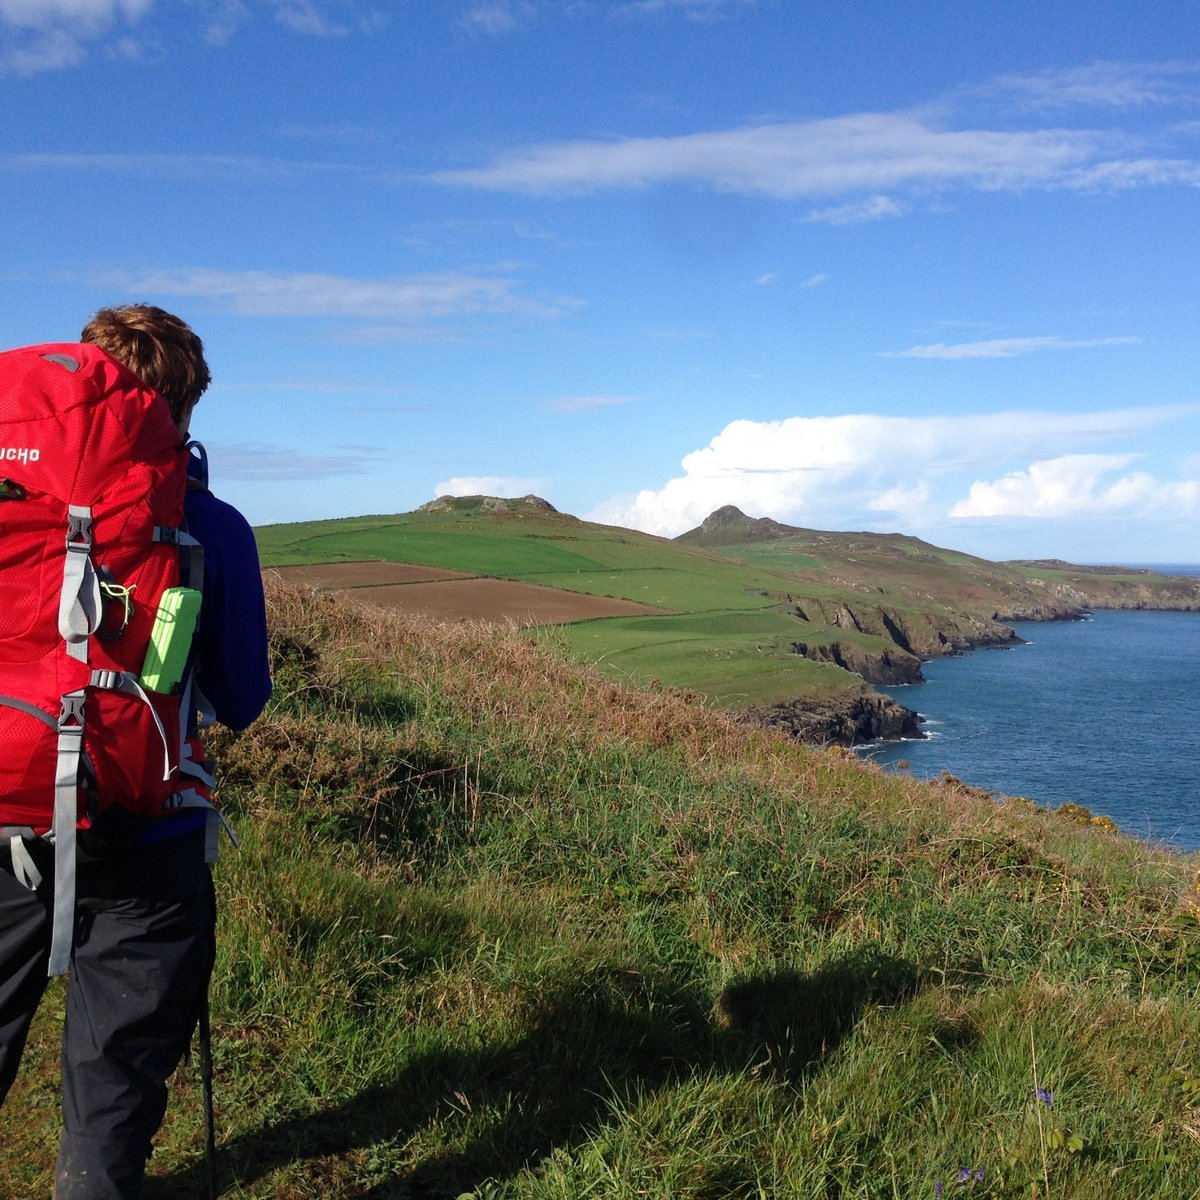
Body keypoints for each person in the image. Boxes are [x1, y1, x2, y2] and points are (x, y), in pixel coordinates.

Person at [0, 305, 272, 1198]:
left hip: (3, 818)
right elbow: (242, 701)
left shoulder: (11, 506)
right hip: (147, 838)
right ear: (186, 406)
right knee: (111, 1101)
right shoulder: (211, 526)